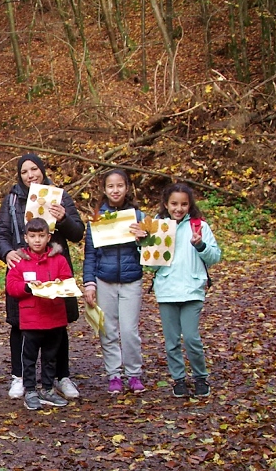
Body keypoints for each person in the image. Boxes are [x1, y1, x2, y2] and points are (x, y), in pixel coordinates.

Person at [0, 153, 85, 401]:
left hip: (55, 267)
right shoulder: (12, 199)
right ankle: (20, 376)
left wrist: (63, 218)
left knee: (58, 325)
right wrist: (7, 252)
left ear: (42, 170)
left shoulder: (59, 195)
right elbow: (0, 233)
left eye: (34, 169)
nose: (30, 175)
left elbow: (78, 232)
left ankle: (61, 376)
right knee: (19, 324)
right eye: (24, 171)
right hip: (23, 268)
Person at [152, 183, 221, 398]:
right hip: (167, 289)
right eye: (174, 204)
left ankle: (200, 376)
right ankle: (178, 379)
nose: (178, 208)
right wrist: (141, 244)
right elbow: (150, 263)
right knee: (171, 340)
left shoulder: (199, 226)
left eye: (183, 204)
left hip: (192, 288)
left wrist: (200, 245)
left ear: (189, 205)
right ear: (166, 204)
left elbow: (215, 257)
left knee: (191, 337)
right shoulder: (157, 226)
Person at [82, 169, 147, 394]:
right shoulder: (97, 219)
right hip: (104, 279)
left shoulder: (138, 217)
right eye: (111, 186)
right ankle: (114, 375)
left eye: (120, 185)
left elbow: (152, 252)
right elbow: (90, 253)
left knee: (129, 330)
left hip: (131, 279)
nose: (115, 190)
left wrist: (143, 239)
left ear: (127, 188)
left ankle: (134, 374)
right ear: (104, 189)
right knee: (107, 330)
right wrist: (89, 283)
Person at [5, 218, 73, 410]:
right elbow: (12, 286)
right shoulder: (20, 261)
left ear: (48, 237)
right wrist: (27, 287)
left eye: (41, 236)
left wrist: (56, 286)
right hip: (31, 320)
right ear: (25, 237)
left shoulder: (58, 259)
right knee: (29, 358)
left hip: (54, 318)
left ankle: (48, 388)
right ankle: (30, 389)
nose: (37, 240)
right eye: (33, 236)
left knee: (51, 357)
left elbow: (67, 282)